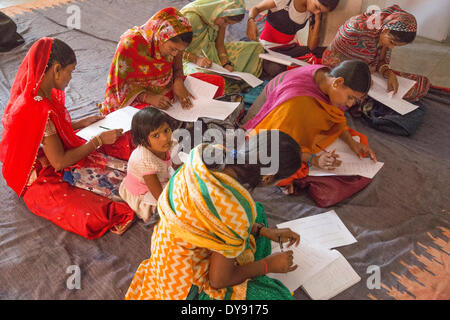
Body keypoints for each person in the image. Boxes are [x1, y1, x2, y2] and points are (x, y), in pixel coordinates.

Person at [126, 130, 303, 300]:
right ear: (268, 177)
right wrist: (269, 265)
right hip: (185, 288)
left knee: (257, 213)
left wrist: (263, 231)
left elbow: (212, 215)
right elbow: (218, 281)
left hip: (168, 248)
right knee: (277, 296)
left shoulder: (209, 154)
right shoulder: (236, 211)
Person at [0, 37, 134, 239]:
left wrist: (79, 124)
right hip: (40, 175)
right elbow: (60, 161)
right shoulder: (39, 110)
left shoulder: (36, 95)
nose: (71, 78)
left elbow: (41, 134)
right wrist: (97, 140)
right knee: (92, 213)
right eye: (70, 71)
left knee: (119, 146)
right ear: (56, 69)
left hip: (49, 154)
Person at [242, 60, 376, 189]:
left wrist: (352, 143)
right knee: (279, 169)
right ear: (338, 82)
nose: (350, 104)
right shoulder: (296, 102)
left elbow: (336, 120)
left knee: (359, 140)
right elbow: (275, 143)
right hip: (277, 116)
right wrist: (314, 159)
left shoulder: (327, 79)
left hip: (296, 113)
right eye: (350, 97)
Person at [99, 7, 225, 115]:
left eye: (179, 51)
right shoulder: (129, 45)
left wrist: (178, 81)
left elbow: (177, 68)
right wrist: (148, 98)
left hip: (169, 90)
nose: (176, 54)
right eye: (172, 49)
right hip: (139, 101)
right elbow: (118, 91)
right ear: (160, 36)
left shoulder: (174, 41)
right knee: (147, 120)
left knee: (216, 82)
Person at [322, 5, 430, 101]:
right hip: (340, 69)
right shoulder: (355, 29)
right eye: (392, 42)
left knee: (420, 83)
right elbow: (343, 65)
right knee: (352, 93)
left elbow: (380, 62)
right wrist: (365, 79)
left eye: (396, 45)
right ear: (385, 30)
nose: (391, 47)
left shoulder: (384, 30)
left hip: (369, 72)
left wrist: (387, 72)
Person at [119, 107, 181, 222]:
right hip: (145, 192)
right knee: (177, 207)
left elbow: (180, 168)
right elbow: (160, 197)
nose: (164, 138)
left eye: (166, 130)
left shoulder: (170, 143)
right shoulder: (144, 160)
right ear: (143, 141)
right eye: (156, 135)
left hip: (161, 180)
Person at [181, 0, 265, 78]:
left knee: (256, 48)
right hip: (188, 59)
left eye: (228, 24)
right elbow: (172, 47)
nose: (224, 26)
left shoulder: (218, 18)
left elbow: (220, 44)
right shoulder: (190, 18)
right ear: (219, 11)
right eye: (225, 21)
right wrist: (196, 59)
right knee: (205, 77)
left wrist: (225, 63)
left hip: (211, 53)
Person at [247, 0, 339, 61]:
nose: (317, 11)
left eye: (321, 12)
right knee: (274, 68)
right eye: (317, 7)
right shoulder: (285, 1)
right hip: (268, 47)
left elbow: (311, 47)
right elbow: (256, 8)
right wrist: (251, 20)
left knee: (325, 52)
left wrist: (318, 19)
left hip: (290, 48)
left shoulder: (312, 13)